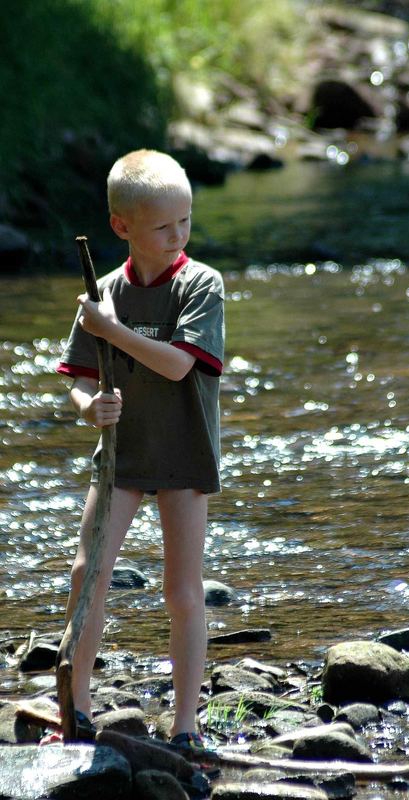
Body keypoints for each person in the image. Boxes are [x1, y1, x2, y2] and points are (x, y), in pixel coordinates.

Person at [56, 149, 224, 759]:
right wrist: (86, 408)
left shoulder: (200, 284)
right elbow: (76, 375)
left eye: (185, 221)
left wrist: (113, 332)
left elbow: (179, 365)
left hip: (184, 453)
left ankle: (186, 722)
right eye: (163, 225)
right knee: (86, 573)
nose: (178, 235)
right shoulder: (101, 294)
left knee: (182, 589)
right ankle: (73, 708)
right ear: (122, 227)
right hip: (121, 456)